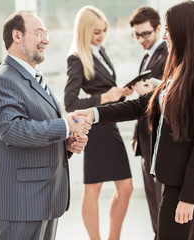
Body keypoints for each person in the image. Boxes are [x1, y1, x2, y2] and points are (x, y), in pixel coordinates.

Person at [75, 1, 194, 239]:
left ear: (184, 30)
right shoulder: (178, 69)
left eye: (168, 29)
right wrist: (95, 113)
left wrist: (188, 197)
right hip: (169, 178)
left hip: (183, 186)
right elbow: (142, 106)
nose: (164, 35)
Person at [0, 10, 91, 240]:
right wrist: (66, 127)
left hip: (43, 198)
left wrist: (67, 143)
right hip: (21, 202)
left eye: (47, 33)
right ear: (17, 36)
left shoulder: (33, 78)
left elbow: (39, 128)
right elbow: (13, 131)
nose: (46, 40)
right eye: (39, 33)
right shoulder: (3, 79)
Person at [64, 6, 133, 240]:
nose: (101, 35)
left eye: (104, 30)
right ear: (84, 32)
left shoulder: (100, 52)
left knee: (126, 188)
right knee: (93, 187)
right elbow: (70, 101)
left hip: (108, 123)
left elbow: (105, 90)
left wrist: (121, 93)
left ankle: (114, 238)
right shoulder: (77, 58)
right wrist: (105, 97)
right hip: (95, 129)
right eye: (96, 32)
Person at [128, 6, 168, 239]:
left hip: (159, 140)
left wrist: (152, 91)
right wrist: (136, 133)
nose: (141, 39)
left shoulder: (167, 54)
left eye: (146, 34)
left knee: (161, 200)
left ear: (158, 29)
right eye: (137, 35)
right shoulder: (147, 56)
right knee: (153, 200)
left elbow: (170, 94)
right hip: (146, 138)